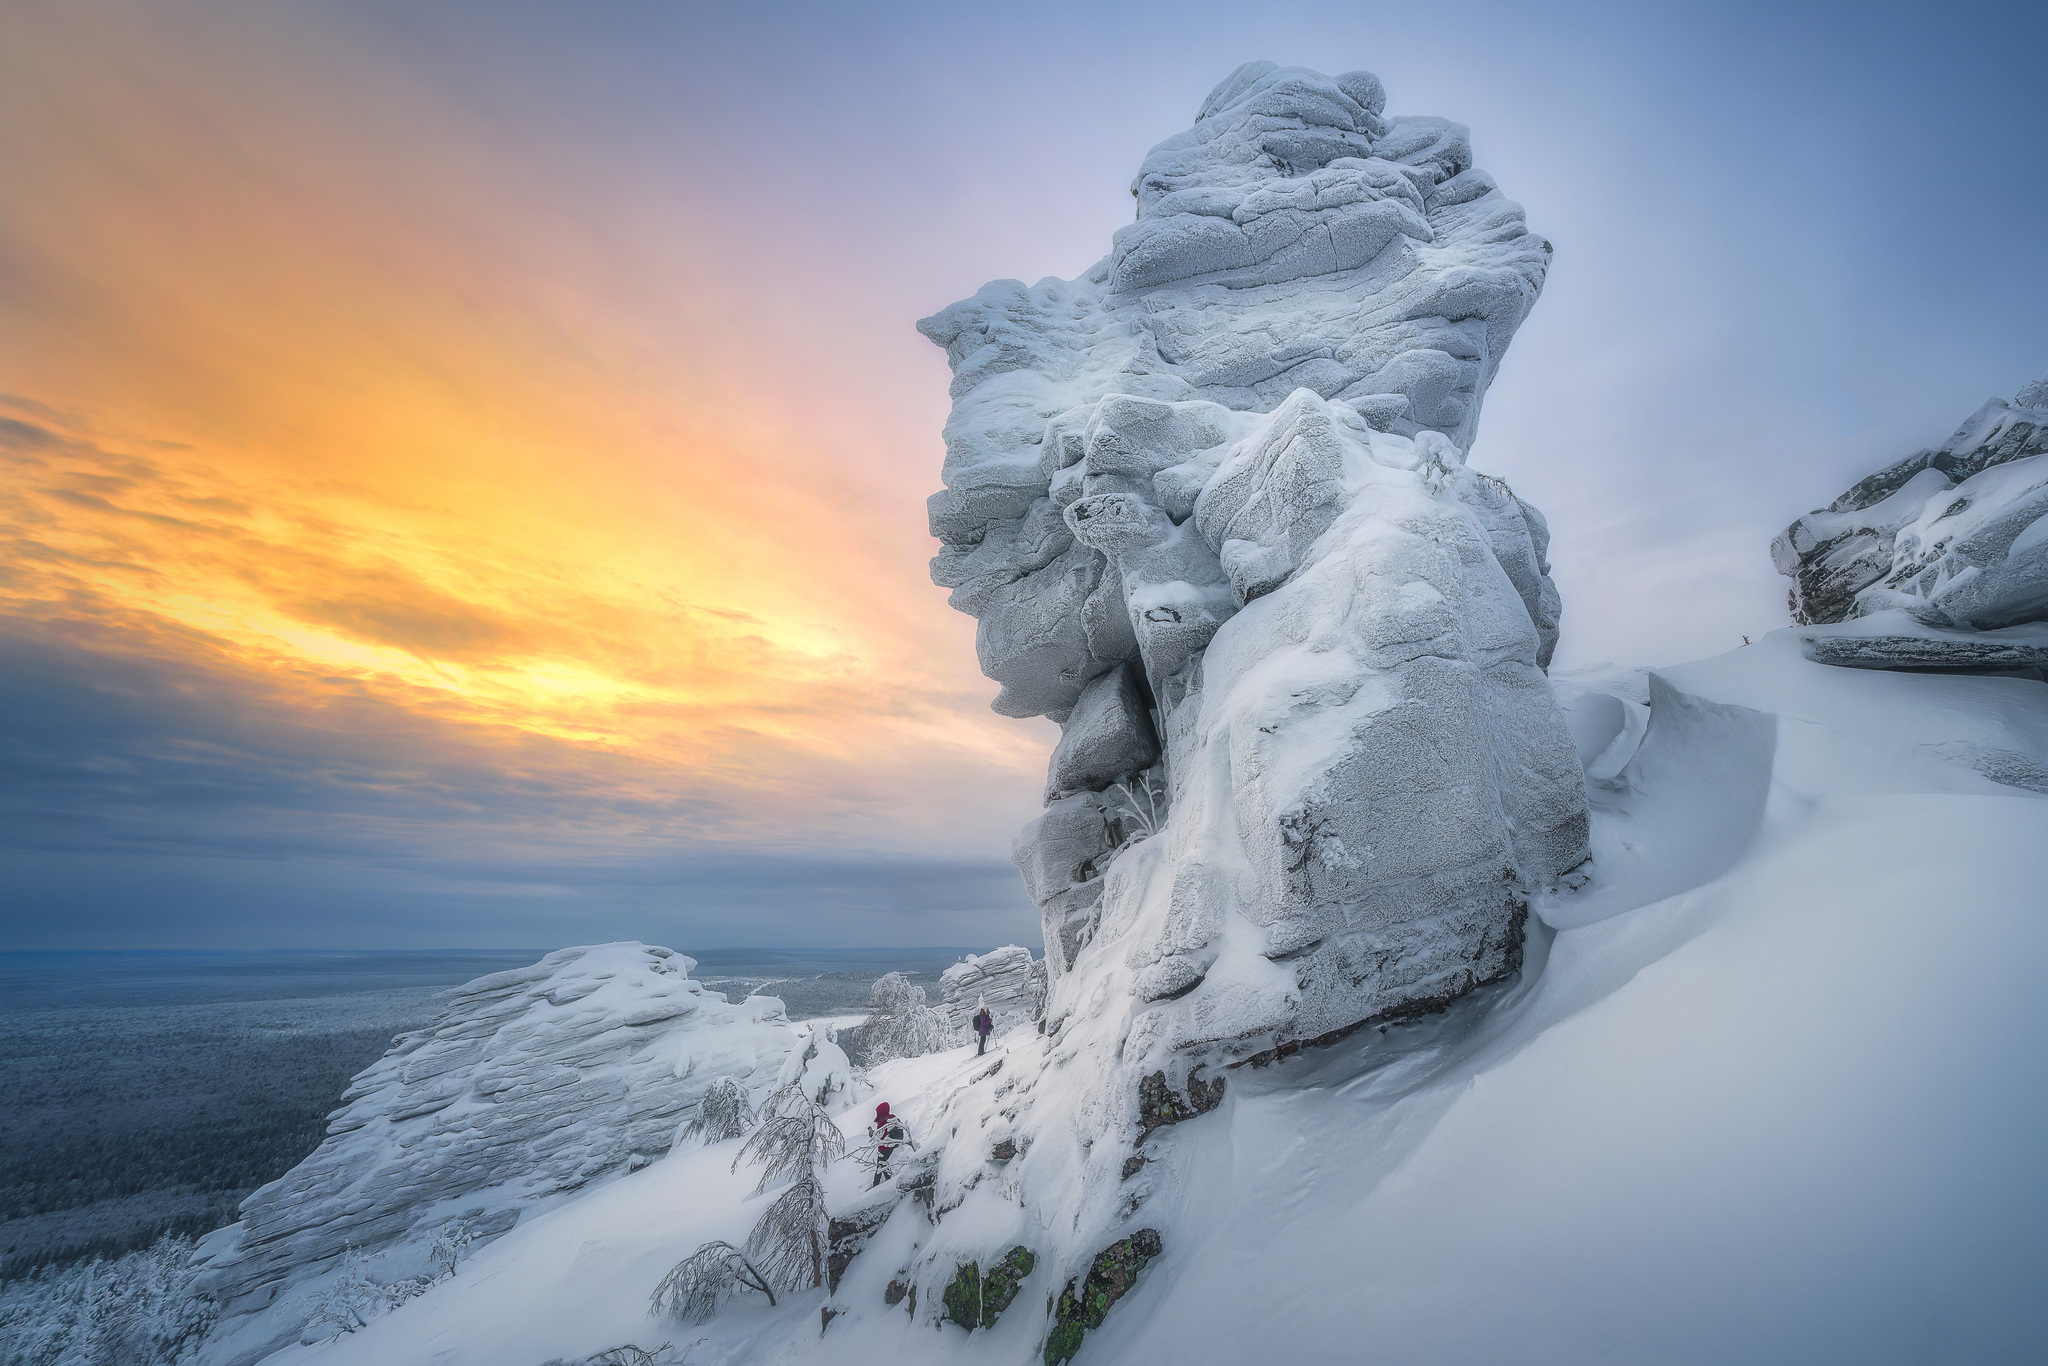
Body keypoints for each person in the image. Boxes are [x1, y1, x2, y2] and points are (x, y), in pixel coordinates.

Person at [868, 1101, 907, 1188]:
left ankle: (877, 1185)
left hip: (884, 1147)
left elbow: (880, 1136)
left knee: (880, 1166)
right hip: (892, 1145)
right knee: (883, 1164)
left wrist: (872, 1135)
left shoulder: (882, 1121)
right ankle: (888, 1181)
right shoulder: (892, 1117)